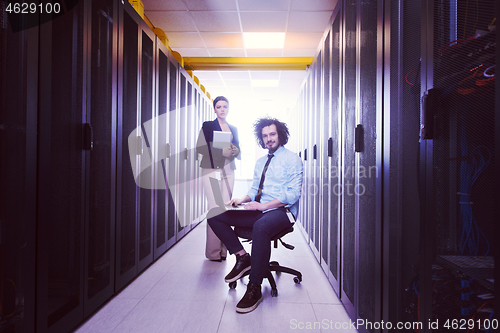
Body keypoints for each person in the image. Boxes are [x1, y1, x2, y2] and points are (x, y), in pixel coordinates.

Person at [207, 117, 303, 313]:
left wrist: (263, 206)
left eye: (272, 134)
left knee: (261, 226)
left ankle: (254, 288)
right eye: (265, 136)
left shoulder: (292, 159)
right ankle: (243, 257)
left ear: (280, 135)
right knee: (215, 215)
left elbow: (292, 194)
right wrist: (241, 199)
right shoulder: (260, 162)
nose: (269, 139)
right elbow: (254, 188)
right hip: (260, 208)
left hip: (282, 211)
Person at [196, 96, 240, 261]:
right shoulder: (208, 126)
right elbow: (201, 148)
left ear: (228, 109)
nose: (222, 109)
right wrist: (220, 152)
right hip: (212, 169)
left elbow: (238, 148)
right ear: (214, 109)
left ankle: (224, 250)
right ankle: (213, 252)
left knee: (225, 209)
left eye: (225, 107)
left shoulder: (233, 128)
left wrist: (236, 150)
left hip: (229, 170)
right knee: (215, 208)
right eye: (219, 107)